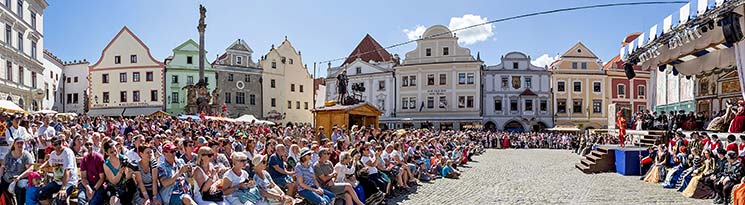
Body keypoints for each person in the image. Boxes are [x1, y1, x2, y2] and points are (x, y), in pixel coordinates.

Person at [37, 137, 79, 205]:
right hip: (57, 181)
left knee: (61, 198)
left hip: (69, 182)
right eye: (55, 144)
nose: (59, 146)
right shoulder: (53, 154)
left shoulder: (67, 153)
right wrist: (40, 168)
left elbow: (67, 170)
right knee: (41, 194)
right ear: (52, 146)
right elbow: (48, 162)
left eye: (59, 143)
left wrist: (63, 188)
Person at [0, 138, 34, 205]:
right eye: (18, 143)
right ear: (14, 145)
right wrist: (0, 177)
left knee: (20, 189)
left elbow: (30, 169)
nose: (20, 145)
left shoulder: (26, 155)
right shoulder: (8, 155)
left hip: (20, 178)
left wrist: (20, 177)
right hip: (7, 178)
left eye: (21, 143)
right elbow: (2, 167)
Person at [102, 139, 135, 205]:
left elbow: (128, 177)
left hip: (125, 185)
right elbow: (113, 181)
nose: (114, 153)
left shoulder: (124, 158)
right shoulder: (106, 164)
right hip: (113, 187)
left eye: (115, 150)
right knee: (114, 202)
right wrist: (120, 172)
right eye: (111, 152)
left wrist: (130, 171)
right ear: (107, 153)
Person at [79, 139, 106, 205]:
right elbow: (83, 177)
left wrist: (93, 190)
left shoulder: (99, 158)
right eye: (86, 145)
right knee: (81, 200)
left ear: (93, 145)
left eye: (90, 144)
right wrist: (88, 188)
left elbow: (102, 178)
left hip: (98, 185)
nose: (89, 146)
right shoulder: (84, 159)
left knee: (93, 202)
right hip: (87, 184)